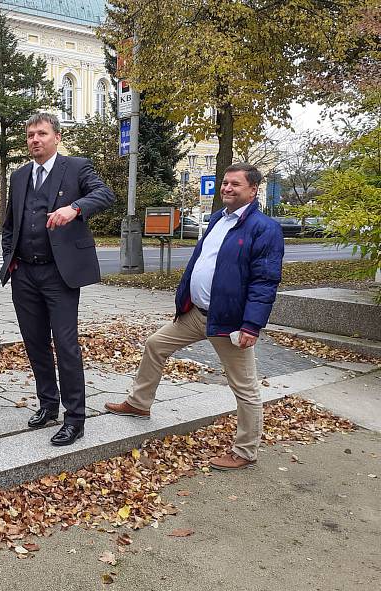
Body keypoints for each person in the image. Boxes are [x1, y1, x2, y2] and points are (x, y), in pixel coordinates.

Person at [106, 163, 284, 470]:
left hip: (228, 321)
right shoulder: (218, 219)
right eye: (225, 183)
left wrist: (251, 325)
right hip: (196, 313)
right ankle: (138, 404)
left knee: (244, 386)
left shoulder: (264, 229)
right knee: (155, 345)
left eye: (235, 184)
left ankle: (245, 451)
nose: (227, 188)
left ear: (253, 190)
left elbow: (264, 282)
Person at [0, 112, 114, 446]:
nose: (35, 139)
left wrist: (74, 209)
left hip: (59, 274)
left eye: (42, 134)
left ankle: (74, 418)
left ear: (57, 137)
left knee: (65, 346)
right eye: (31, 135)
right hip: (24, 273)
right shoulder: (19, 176)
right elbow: (10, 224)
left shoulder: (76, 167)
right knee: (34, 343)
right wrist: (10, 259)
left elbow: (104, 194)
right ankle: (48, 405)